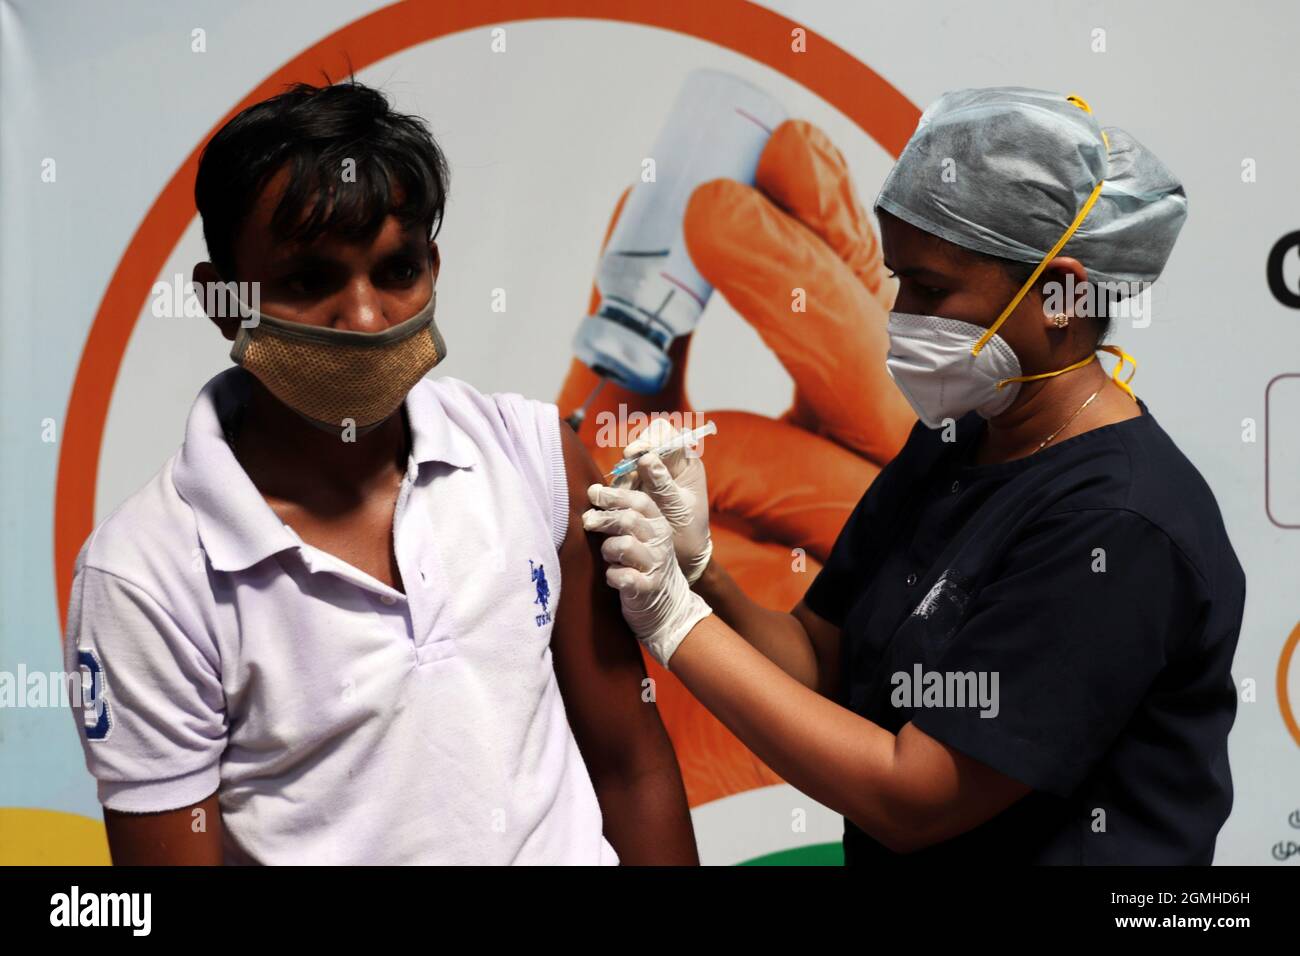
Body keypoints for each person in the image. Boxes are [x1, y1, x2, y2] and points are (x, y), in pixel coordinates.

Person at [582, 87, 1247, 864]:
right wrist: (701, 573)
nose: (901, 317)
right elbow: (817, 663)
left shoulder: (1119, 526)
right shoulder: (954, 444)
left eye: (931, 290)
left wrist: (672, 624)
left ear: (1062, 294)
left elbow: (914, 797)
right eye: (899, 280)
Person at [63, 78, 697, 865]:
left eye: (397, 271)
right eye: (307, 280)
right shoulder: (145, 578)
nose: (364, 318)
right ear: (222, 300)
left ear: (434, 267)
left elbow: (630, 768)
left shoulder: (533, 456)